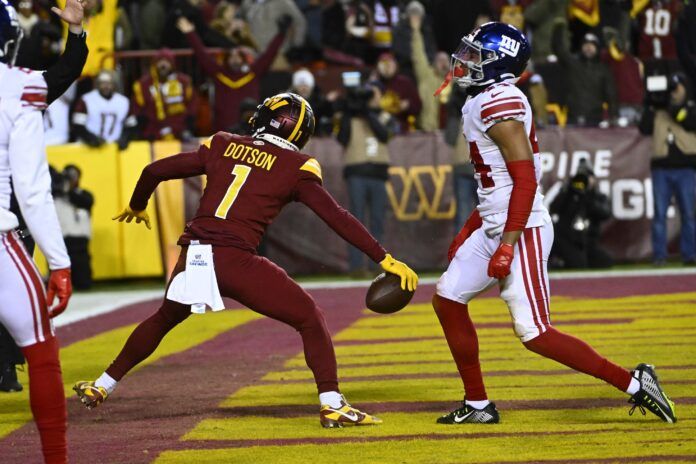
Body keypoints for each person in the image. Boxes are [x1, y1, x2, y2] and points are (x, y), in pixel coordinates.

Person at [73, 92, 418, 428]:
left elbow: (153, 171)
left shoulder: (223, 143)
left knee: (164, 318)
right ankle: (332, 405)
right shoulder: (297, 166)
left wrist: (137, 205)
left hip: (194, 253)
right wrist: (382, 257)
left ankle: (102, 385)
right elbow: (336, 216)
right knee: (310, 318)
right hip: (235, 261)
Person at [432, 22, 676, 425]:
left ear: (500, 64)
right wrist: (470, 229)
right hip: (498, 221)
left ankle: (634, 382)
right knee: (448, 298)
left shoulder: (499, 103)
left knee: (535, 332)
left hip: (521, 227)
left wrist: (508, 243)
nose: (466, 61)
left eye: (477, 55)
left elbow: (525, 180)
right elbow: (496, 184)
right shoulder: (482, 100)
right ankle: (477, 404)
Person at [0, 0, 87, 461]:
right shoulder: (18, 87)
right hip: (1, 236)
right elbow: (33, 188)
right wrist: (60, 262)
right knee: (41, 350)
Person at [176, 15, 288, 132]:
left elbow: (269, 55)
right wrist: (190, 33)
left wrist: (281, 34)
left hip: (249, 130)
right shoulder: (219, 74)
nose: (234, 59)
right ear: (226, 60)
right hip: (223, 132)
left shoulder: (253, 73)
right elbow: (202, 55)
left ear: (243, 59)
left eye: (238, 56)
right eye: (231, 56)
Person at [336, 80, 397, 275]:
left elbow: (385, 135)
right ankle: (356, 267)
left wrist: (368, 114)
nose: (370, 98)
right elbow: (342, 139)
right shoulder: (350, 116)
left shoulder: (385, 117)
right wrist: (348, 112)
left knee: (378, 221)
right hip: (356, 173)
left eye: (374, 94)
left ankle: (377, 264)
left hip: (378, 174)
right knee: (356, 221)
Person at [639, 72, 696, 265]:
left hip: (685, 168)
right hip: (661, 168)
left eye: (676, 87)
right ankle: (660, 256)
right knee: (659, 214)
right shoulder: (657, 109)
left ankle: (689, 255)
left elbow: (688, 121)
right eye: (671, 89)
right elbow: (644, 128)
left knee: (688, 214)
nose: (673, 92)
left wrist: (670, 106)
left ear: (684, 88)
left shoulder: (690, 106)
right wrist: (649, 105)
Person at [552, 24, 618, 127]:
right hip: (573, 118)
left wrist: (613, 117)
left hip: (595, 119)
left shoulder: (603, 69)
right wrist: (558, 28)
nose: (588, 47)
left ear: (597, 48)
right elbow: (559, 50)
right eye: (585, 45)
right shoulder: (573, 64)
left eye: (592, 45)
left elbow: (611, 95)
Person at [131, 49, 197, 141]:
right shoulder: (143, 84)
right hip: (152, 134)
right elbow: (138, 110)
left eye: (167, 61)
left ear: (172, 64)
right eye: (160, 61)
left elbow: (192, 108)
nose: (163, 65)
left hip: (180, 133)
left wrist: (187, 129)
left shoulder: (184, 82)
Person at [72, 70, 137, 148]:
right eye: (103, 83)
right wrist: (91, 139)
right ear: (97, 84)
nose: (106, 86)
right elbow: (78, 125)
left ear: (114, 84)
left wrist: (125, 138)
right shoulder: (86, 100)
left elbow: (131, 126)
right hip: (89, 148)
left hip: (114, 146)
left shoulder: (124, 101)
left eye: (109, 83)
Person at [55, 165, 94, 289]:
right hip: (61, 239)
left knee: (83, 280)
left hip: (79, 240)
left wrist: (67, 189)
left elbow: (84, 201)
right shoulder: (56, 196)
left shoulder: (84, 194)